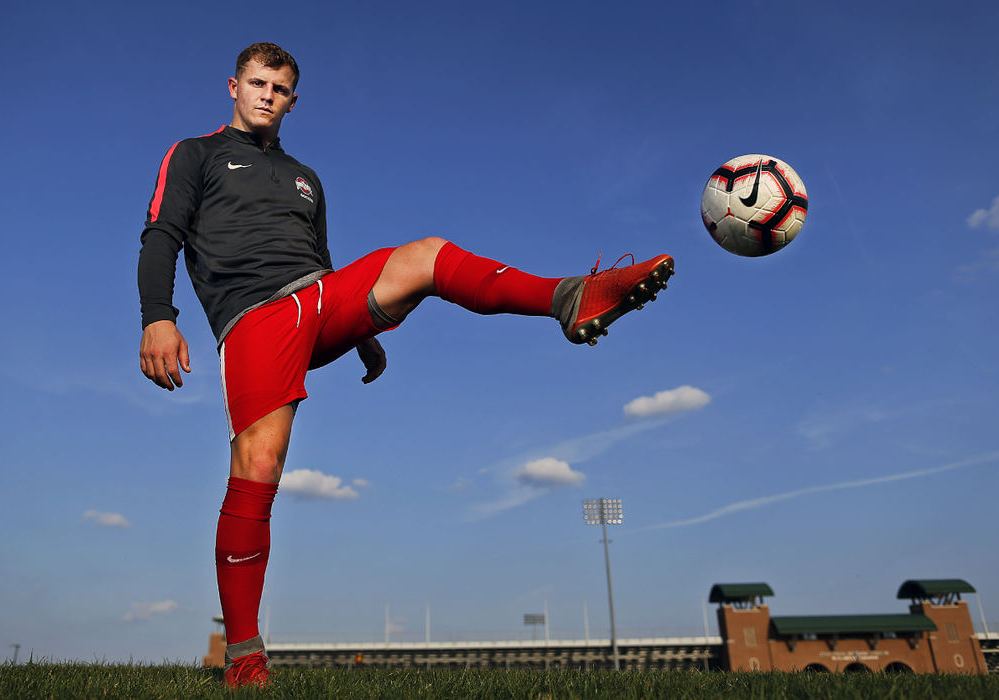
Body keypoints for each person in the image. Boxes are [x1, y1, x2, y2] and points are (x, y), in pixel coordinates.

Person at [138, 42, 673, 689]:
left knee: (425, 255)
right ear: (233, 86)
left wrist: (360, 330)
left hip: (321, 298)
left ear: (293, 100)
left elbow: (321, 259)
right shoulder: (194, 154)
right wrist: (157, 315)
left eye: (280, 88)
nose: (267, 96)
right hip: (254, 317)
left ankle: (568, 297)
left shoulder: (307, 178)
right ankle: (245, 656)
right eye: (257, 83)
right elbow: (161, 233)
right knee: (259, 466)